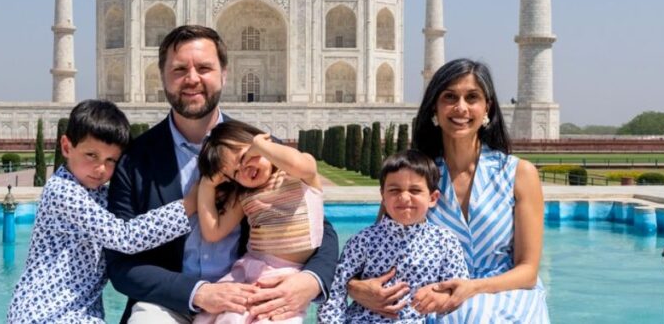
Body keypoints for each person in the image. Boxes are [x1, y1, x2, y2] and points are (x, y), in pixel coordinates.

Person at [106, 25, 340, 324]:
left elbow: (318, 223)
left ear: (224, 74)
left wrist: (310, 280)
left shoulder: (260, 150)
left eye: (204, 68)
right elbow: (121, 263)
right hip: (170, 301)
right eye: (179, 69)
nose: (192, 79)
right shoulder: (136, 160)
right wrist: (198, 293)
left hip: (248, 295)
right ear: (162, 75)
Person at [347, 58, 550, 322]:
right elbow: (377, 246)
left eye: (472, 97)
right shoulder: (416, 178)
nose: (461, 107)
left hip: (506, 296)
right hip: (429, 298)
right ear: (435, 106)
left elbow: (528, 272)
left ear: (487, 107)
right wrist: (356, 287)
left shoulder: (518, 174)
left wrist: (471, 288)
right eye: (450, 97)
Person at [7, 100, 198, 324]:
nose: (101, 169)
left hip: (78, 311)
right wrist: (188, 206)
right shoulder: (63, 191)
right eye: (91, 156)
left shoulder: (96, 193)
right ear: (67, 147)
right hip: (47, 312)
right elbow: (123, 236)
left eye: (111, 161)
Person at [194, 121, 325, 324]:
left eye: (244, 157)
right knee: (218, 317)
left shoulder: (297, 175)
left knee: (269, 317)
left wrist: (263, 145)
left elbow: (299, 164)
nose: (244, 169)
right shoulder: (245, 195)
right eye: (236, 173)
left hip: (285, 276)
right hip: (248, 267)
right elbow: (213, 232)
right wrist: (207, 186)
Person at [318, 150, 469, 323]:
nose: (404, 197)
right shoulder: (364, 240)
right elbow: (335, 289)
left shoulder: (445, 242)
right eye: (394, 190)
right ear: (383, 195)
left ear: (433, 198)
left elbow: (459, 290)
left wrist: (440, 300)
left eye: (415, 190)